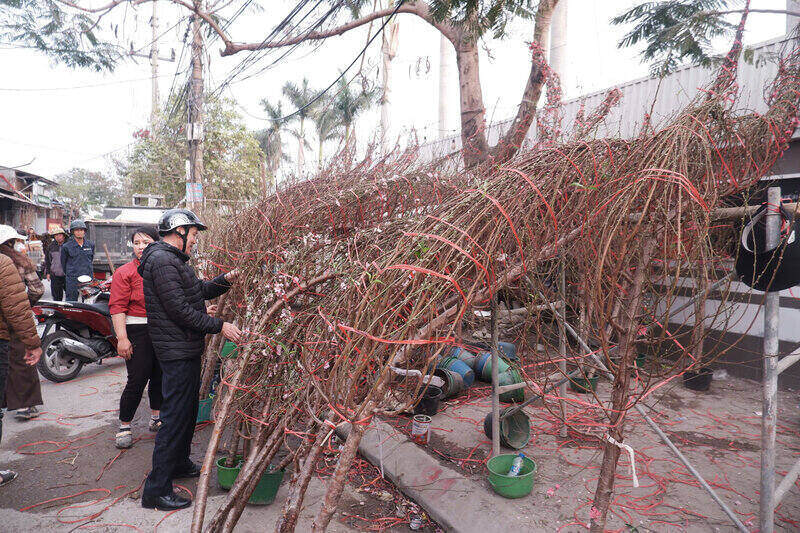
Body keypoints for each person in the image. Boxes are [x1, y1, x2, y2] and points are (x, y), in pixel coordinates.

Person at [139, 209, 241, 511]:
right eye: (194, 235)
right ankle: (156, 490)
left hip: (183, 348)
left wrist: (227, 279)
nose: (195, 241)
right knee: (173, 419)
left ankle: (179, 463)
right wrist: (220, 325)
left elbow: (197, 292)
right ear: (179, 232)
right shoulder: (162, 262)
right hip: (176, 351)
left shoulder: (173, 262)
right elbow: (180, 311)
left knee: (186, 412)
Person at [110, 226, 163, 449]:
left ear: (156, 243)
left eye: (146, 242)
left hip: (162, 330)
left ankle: (156, 417)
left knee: (159, 377)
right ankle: (124, 425)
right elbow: (117, 307)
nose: (141, 247)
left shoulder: (162, 268)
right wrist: (122, 338)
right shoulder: (125, 272)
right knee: (137, 380)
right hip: (137, 330)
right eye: (137, 243)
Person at [0, 236, 43, 487]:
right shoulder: (8, 264)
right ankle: (26, 404)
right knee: (23, 366)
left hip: (9, 329)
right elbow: (23, 301)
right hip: (9, 329)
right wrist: (33, 342)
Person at [0, 227, 45, 421]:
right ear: (11, 242)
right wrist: (25, 304)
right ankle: (27, 405)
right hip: (15, 320)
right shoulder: (19, 262)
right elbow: (37, 289)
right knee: (24, 360)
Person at [60, 220, 95, 301]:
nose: (79, 232)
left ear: (84, 232)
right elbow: (63, 263)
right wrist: (71, 273)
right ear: (73, 232)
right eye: (77, 230)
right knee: (71, 301)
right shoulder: (66, 247)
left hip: (87, 277)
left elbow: (91, 259)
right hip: (72, 278)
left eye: (81, 230)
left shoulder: (90, 245)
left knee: (88, 300)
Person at [44, 226, 68, 301]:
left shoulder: (68, 246)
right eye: (56, 235)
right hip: (55, 275)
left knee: (70, 296)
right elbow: (47, 260)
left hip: (67, 275)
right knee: (57, 297)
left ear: (64, 236)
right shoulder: (51, 246)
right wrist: (48, 273)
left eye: (60, 235)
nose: (58, 237)